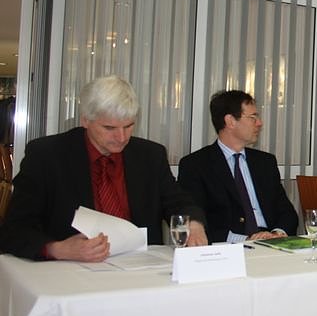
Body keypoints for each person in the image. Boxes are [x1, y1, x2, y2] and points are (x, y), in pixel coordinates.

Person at [0, 75, 207, 262]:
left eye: (128, 126)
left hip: (139, 269)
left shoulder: (150, 155)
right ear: (85, 120)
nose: (121, 137)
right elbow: (15, 228)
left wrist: (194, 224)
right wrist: (58, 249)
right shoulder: (47, 155)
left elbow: (179, 202)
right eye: (109, 128)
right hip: (70, 270)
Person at [178, 90, 298, 243]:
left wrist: (276, 233)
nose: (259, 123)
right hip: (230, 247)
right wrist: (246, 239)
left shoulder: (265, 162)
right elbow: (197, 221)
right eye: (253, 117)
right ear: (230, 121)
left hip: (271, 242)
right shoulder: (196, 165)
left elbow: (287, 212)